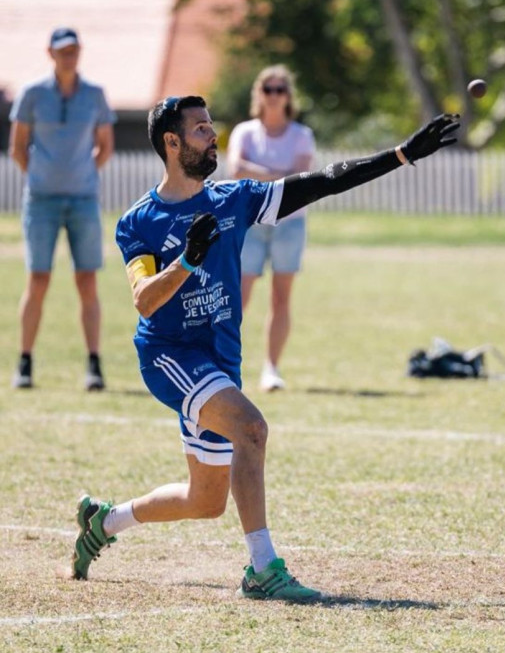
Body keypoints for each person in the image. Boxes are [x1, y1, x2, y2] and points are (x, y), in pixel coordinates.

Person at [71, 95, 459, 600]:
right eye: (201, 130)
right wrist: (187, 260)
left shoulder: (234, 199)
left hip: (218, 360)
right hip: (170, 357)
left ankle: (106, 521)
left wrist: (401, 155)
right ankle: (263, 570)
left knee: (206, 500)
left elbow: (324, 182)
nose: (214, 136)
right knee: (251, 428)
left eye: (211, 127)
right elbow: (144, 301)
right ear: (171, 143)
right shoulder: (138, 222)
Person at [7, 27, 115, 390]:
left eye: (74, 50)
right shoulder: (33, 93)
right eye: (62, 51)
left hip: (83, 200)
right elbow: (18, 147)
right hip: (41, 200)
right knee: (38, 279)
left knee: (87, 279)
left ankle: (94, 363)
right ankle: (24, 361)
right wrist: (42, 176)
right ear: (50, 53)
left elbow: (105, 146)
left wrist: (81, 175)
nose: (69, 56)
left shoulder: (95, 94)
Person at [228, 66, 315, 391]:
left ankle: (271, 368)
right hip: (251, 222)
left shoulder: (301, 134)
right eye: (269, 89)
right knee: (239, 295)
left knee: (281, 298)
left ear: (288, 96)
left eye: (280, 89)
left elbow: (301, 178)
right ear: (259, 94)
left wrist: (261, 175)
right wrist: (280, 175)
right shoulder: (245, 132)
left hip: (289, 224)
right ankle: (224, 363)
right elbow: (237, 169)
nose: (275, 95)